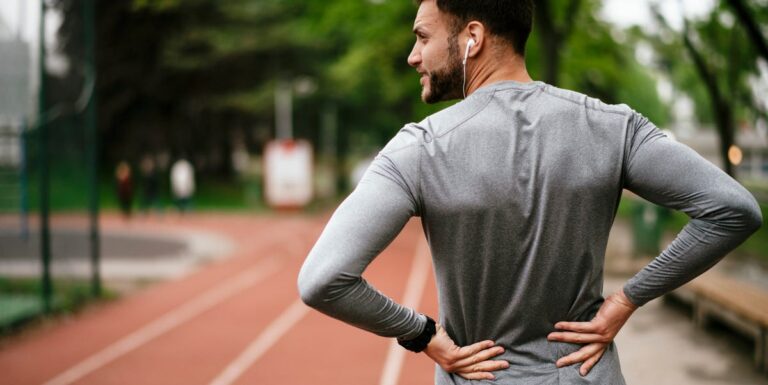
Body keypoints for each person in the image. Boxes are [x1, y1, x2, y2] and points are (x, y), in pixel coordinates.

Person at [297, 1, 763, 384]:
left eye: (422, 37)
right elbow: (734, 209)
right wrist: (627, 300)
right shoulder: (611, 126)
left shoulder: (420, 148)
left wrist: (422, 334)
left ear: (471, 39)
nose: (412, 56)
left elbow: (322, 279)